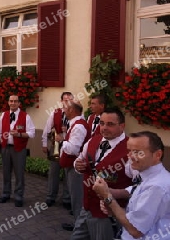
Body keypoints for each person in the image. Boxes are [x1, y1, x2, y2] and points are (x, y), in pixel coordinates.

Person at [93, 131, 170, 240]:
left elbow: (135, 229)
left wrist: (108, 198)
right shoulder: (147, 176)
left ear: (157, 155)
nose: (130, 156)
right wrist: (110, 193)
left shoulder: (156, 186)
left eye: (138, 152)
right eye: (129, 151)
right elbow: (135, 193)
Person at [71, 107, 132, 239]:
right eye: (102, 123)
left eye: (110, 124)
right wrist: (77, 165)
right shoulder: (93, 141)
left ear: (122, 126)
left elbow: (140, 186)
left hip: (108, 215)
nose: (104, 127)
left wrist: (115, 193)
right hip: (86, 208)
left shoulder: (131, 150)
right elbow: (80, 158)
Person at [0, 95, 35, 207]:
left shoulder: (25, 116)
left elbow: (32, 133)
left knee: (19, 173)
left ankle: (18, 196)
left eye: (15, 101)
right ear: (8, 102)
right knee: (6, 172)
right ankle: (6, 193)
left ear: (19, 103)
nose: (13, 103)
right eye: (11, 101)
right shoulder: (4, 115)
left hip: (19, 149)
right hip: (5, 147)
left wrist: (19, 134)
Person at [59, 100, 91, 232]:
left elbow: (73, 149)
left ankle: (80, 227)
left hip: (75, 167)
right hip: (72, 166)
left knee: (77, 196)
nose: (64, 111)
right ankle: (79, 223)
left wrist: (63, 141)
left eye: (65, 108)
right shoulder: (76, 124)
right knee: (75, 195)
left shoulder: (78, 126)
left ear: (72, 110)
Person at [41, 92, 73, 209]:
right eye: (65, 100)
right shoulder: (55, 113)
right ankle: (50, 197)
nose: (68, 102)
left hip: (70, 147)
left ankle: (66, 198)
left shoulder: (77, 114)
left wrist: (67, 130)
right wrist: (44, 143)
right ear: (61, 101)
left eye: (70, 100)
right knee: (53, 173)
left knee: (67, 173)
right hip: (56, 146)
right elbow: (47, 128)